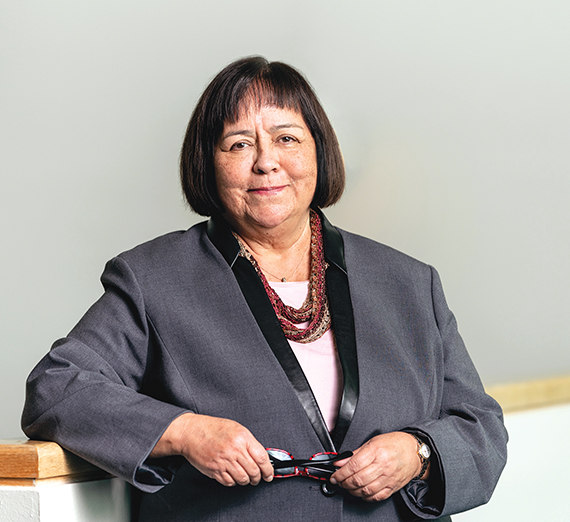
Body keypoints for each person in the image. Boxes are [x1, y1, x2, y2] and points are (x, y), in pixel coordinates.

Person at [22, 56, 507, 522]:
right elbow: (57, 387)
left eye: (286, 138)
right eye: (238, 145)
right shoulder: (153, 279)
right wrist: (186, 432)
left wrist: (418, 451)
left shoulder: (408, 282)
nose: (266, 162)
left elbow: (480, 426)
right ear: (208, 165)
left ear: (318, 150)